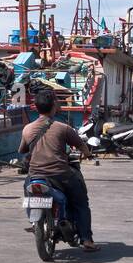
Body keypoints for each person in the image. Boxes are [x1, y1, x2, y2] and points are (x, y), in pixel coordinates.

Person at [19, 88, 98, 251]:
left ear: (36, 107)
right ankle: (87, 240)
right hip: (61, 175)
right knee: (81, 203)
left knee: (28, 191)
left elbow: (22, 150)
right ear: (54, 106)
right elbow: (81, 145)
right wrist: (88, 154)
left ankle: (34, 222)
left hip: (35, 175)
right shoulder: (63, 128)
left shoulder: (27, 129)